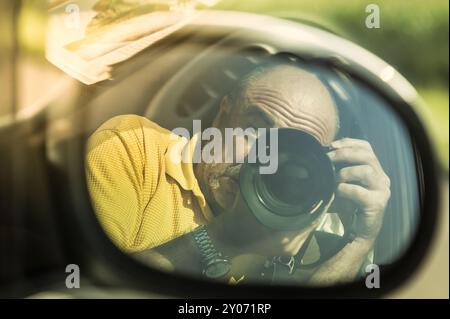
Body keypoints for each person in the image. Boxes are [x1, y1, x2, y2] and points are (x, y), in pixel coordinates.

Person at [85, 62, 391, 285]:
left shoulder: (302, 229)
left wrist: (360, 240)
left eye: (292, 152)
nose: (265, 159)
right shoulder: (135, 149)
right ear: (222, 115)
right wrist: (230, 236)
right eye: (256, 131)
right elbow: (100, 288)